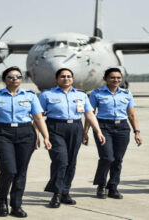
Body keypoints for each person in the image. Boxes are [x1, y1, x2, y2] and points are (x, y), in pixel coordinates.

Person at [0, 66, 52, 217]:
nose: (15, 79)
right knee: (9, 170)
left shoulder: (30, 95)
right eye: (11, 76)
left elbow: (38, 118)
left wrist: (46, 137)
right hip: (2, 133)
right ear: (4, 80)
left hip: (26, 133)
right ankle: (1, 199)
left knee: (21, 171)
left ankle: (16, 205)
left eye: (18, 76)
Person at [39, 68, 106, 208]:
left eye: (69, 76)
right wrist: (40, 136)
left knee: (71, 162)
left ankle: (65, 192)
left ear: (73, 79)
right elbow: (38, 116)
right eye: (62, 76)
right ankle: (56, 194)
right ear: (57, 79)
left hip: (75, 128)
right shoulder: (47, 95)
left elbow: (89, 114)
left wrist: (98, 131)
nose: (66, 78)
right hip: (55, 127)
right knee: (60, 161)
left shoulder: (81, 95)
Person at [82, 68, 142, 199]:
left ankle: (113, 187)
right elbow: (90, 114)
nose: (116, 80)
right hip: (103, 127)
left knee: (118, 160)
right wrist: (85, 132)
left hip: (122, 128)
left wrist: (136, 132)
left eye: (118, 78)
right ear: (105, 79)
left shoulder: (126, 94)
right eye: (112, 78)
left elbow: (131, 115)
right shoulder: (96, 93)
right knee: (107, 158)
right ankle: (101, 185)